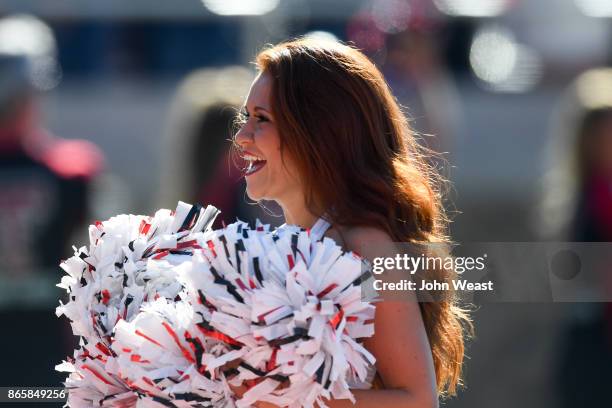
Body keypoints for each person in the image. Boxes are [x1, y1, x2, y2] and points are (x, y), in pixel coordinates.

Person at [233, 37, 471, 407]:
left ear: (320, 132)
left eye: (261, 119)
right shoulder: (276, 243)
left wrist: (276, 399)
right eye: (245, 117)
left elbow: (417, 399)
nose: (241, 137)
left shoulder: (365, 245)